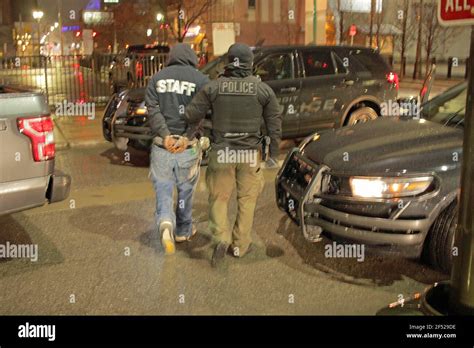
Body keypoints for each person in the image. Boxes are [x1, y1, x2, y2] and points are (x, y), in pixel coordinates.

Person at [185, 43, 282, 266]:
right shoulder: (262, 90)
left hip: (222, 152)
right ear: (250, 64)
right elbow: (274, 123)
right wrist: (273, 152)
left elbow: (191, 114)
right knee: (247, 200)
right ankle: (239, 245)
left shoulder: (214, 87)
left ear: (229, 62)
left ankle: (221, 237)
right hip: (249, 155)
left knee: (218, 198)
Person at [145, 43, 209, 255]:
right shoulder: (201, 80)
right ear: (191, 58)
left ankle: (165, 221)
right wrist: (186, 137)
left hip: (162, 147)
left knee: (163, 187)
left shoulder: (156, 79)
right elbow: (201, 113)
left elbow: (153, 111)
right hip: (187, 148)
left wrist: (165, 135)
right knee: (185, 189)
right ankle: (183, 229)